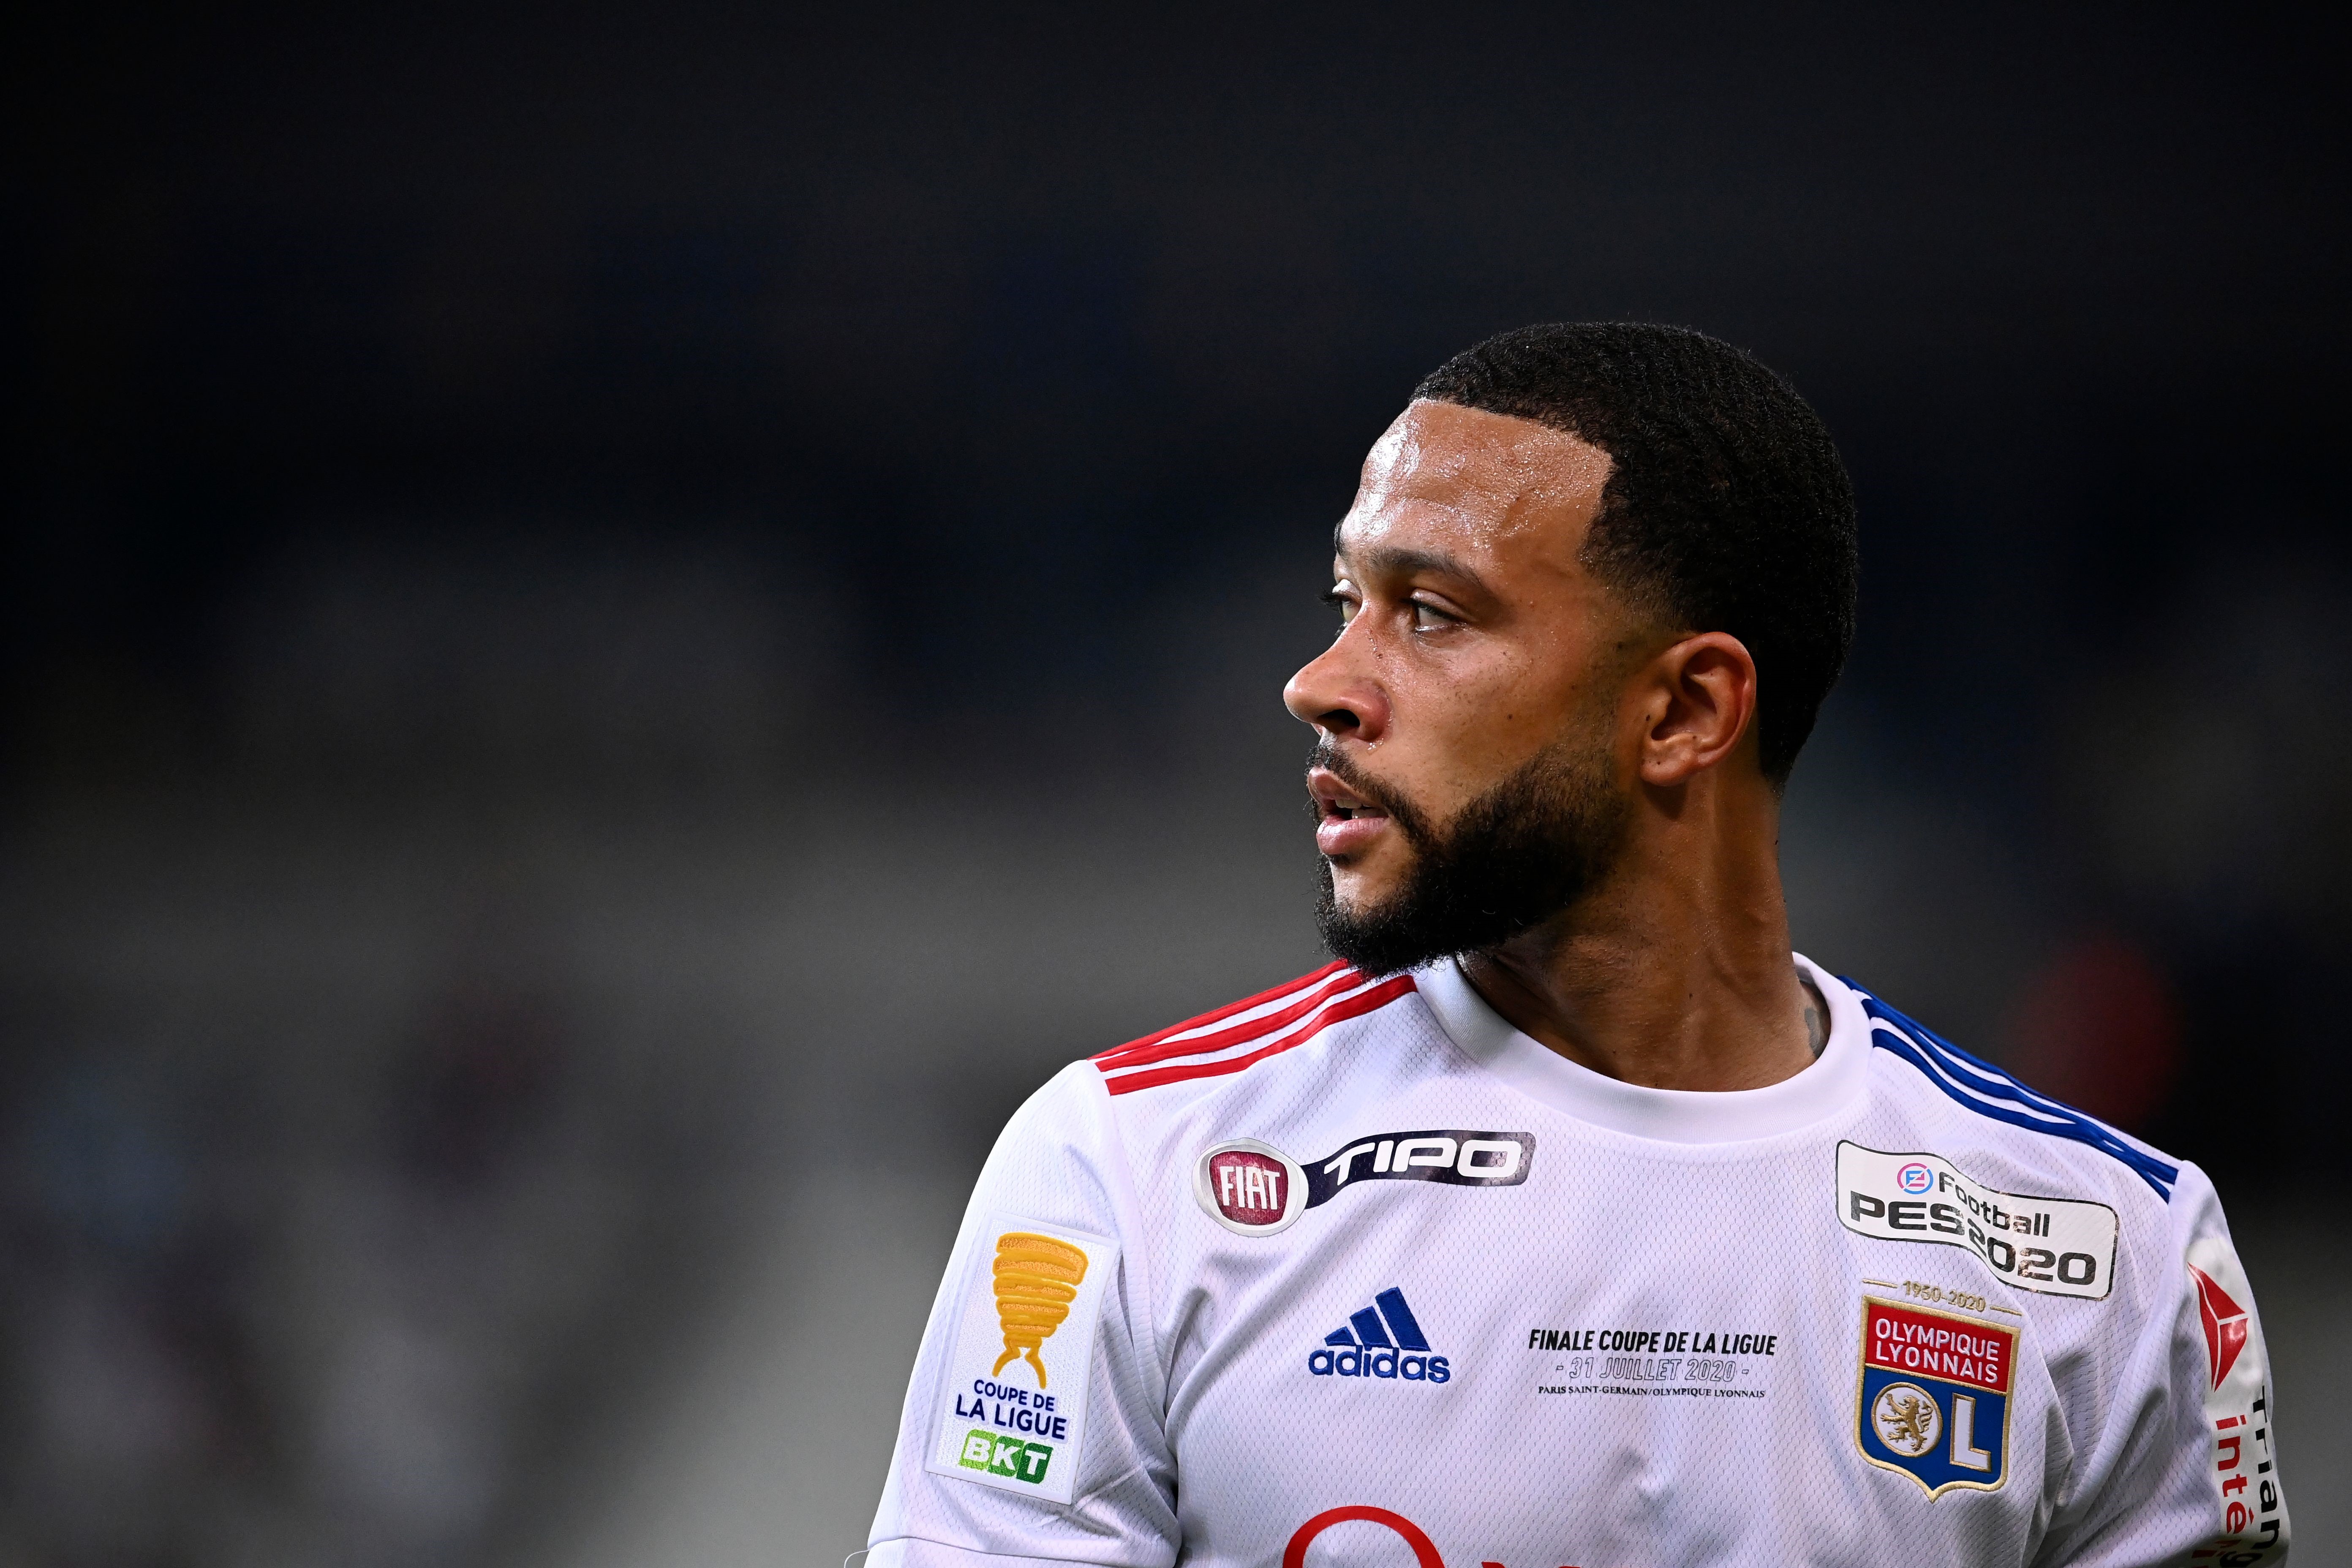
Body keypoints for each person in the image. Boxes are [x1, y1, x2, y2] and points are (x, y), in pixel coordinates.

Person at [863, 323, 2288, 1566]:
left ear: (1684, 713)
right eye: (1343, 606)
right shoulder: (1128, 1170)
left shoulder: (2119, 1260)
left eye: (1430, 614)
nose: (1321, 684)